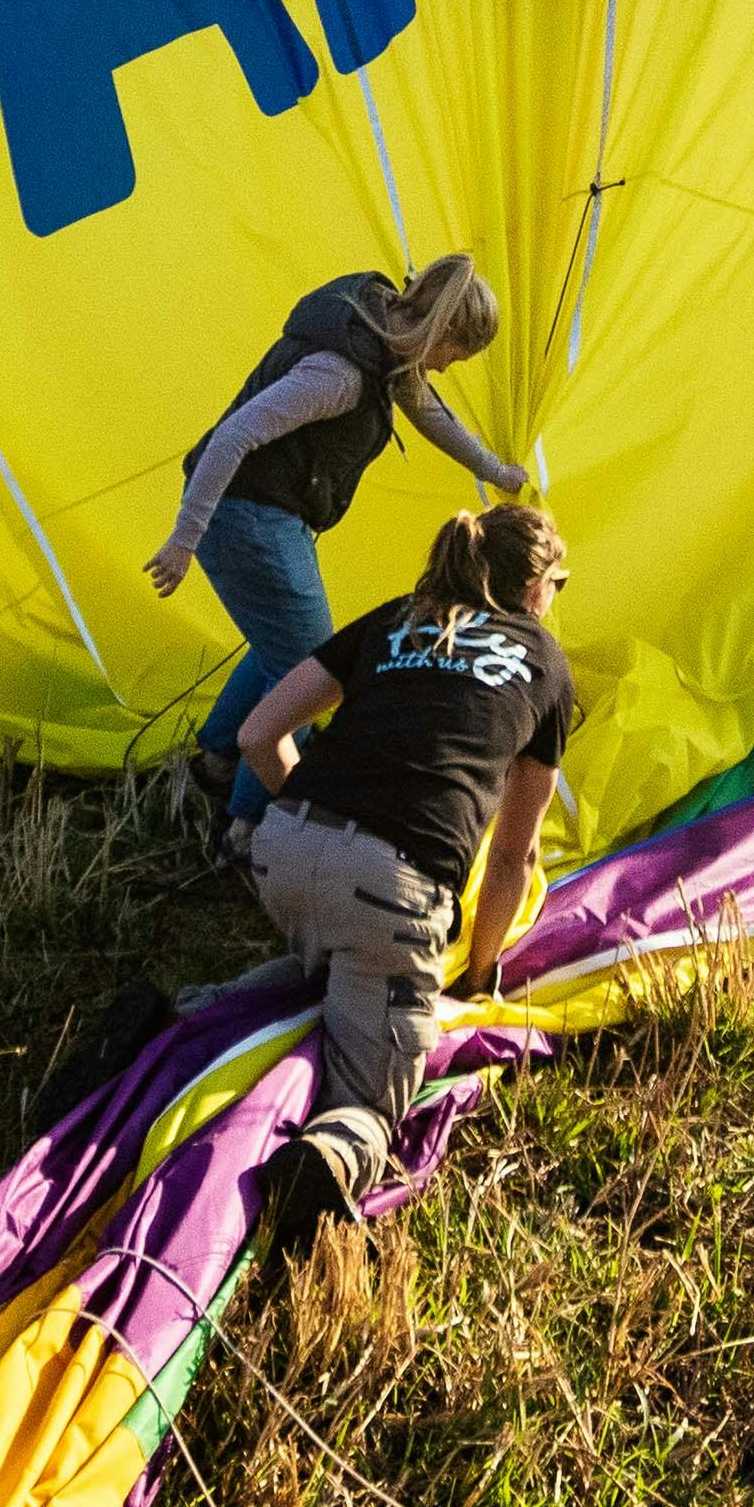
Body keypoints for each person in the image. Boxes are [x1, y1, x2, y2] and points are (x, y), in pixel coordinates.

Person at [226, 501, 574, 1268]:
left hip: (281, 848)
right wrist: (479, 974)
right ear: (534, 587)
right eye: (561, 582)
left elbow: (257, 733)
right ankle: (320, 1172)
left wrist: (315, 826)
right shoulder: (544, 662)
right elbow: (512, 858)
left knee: (333, 965)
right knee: (370, 1098)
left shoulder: (395, 618)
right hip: (391, 886)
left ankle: (181, 1019)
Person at [150, 256, 525, 853]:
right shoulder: (342, 374)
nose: (445, 369)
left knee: (285, 648)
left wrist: (496, 472)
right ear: (441, 332)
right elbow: (234, 435)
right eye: (454, 356)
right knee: (309, 674)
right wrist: (183, 540)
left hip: (273, 517)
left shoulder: (384, 340)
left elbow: (431, 415)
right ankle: (246, 829)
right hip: (247, 519)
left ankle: (219, 762)